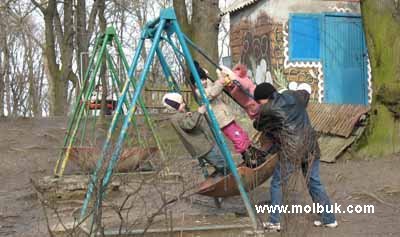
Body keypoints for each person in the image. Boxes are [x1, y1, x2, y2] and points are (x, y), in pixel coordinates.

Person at [252, 82, 337, 231]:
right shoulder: (294, 95)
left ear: (265, 98)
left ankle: (274, 221)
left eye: (259, 101)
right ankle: (329, 219)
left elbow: (258, 125)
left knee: (277, 183)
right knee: (314, 182)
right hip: (310, 146)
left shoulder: (268, 109)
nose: (259, 104)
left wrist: (257, 116)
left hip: (290, 150)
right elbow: (306, 93)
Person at [190, 61, 265, 167]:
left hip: (227, 117)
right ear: (194, 84)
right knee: (237, 137)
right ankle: (248, 158)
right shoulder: (200, 92)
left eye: (203, 79)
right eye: (199, 81)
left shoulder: (207, 84)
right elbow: (212, 93)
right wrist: (220, 81)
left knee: (241, 133)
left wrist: (221, 75)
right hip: (221, 120)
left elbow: (213, 84)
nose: (203, 82)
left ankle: (253, 153)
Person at [162, 92, 227, 176]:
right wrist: (199, 112)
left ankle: (222, 174)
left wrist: (187, 114)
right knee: (221, 162)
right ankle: (229, 176)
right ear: (175, 106)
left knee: (218, 162)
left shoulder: (176, 116)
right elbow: (189, 125)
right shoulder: (178, 117)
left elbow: (184, 120)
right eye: (181, 103)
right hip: (203, 147)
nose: (184, 104)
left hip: (201, 147)